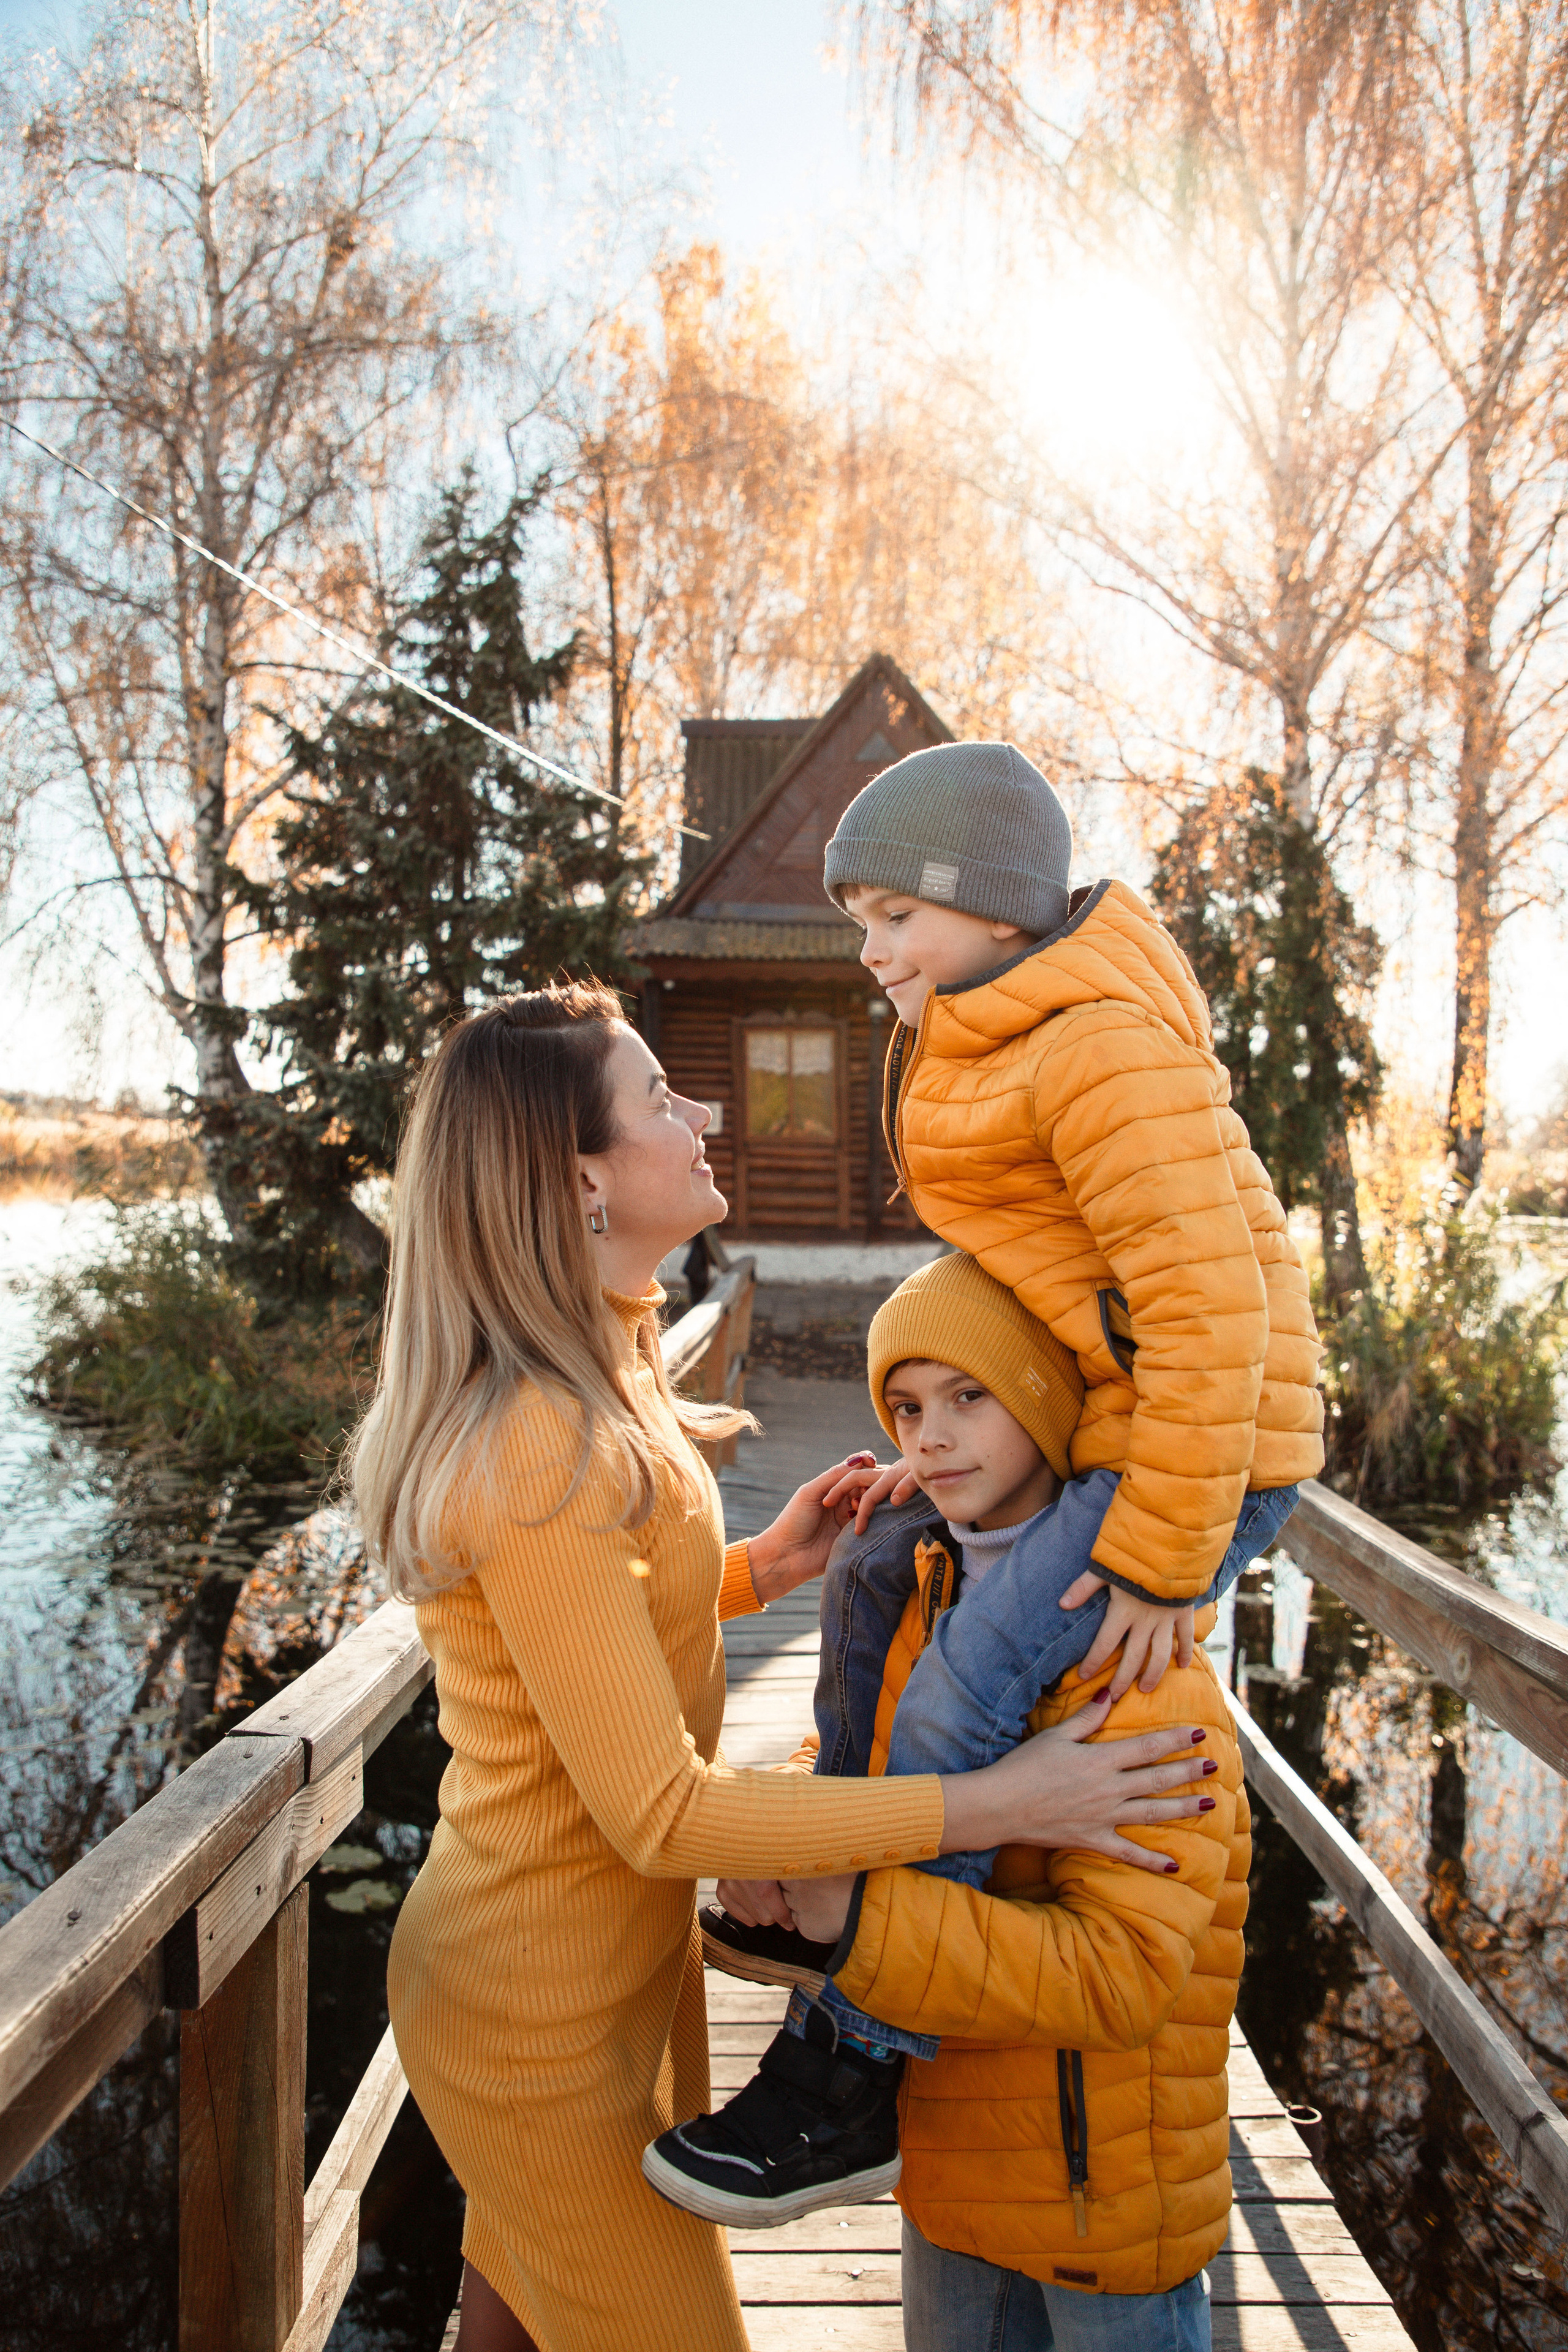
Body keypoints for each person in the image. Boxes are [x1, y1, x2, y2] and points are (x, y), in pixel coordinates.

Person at [350, 981, 1218, 2352]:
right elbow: (665, 1813)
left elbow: (580, 1633)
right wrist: (1007, 1802)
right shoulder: (535, 1442)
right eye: (658, 1099)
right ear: (581, 1179)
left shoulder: (605, 1363)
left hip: (603, 1972)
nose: (698, 1112)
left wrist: (760, 1567)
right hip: (536, 2014)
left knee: (513, 2323)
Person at [644, 1257, 1283, 2293]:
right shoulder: (918, 1581)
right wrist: (797, 1837)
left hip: (1099, 2205)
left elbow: (1125, 1975)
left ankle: (833, 2071)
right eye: (904, 1407)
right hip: (936, 2177)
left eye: (968, 1397)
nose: (927, 1438)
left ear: (1044, 1399)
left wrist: (851, 1923)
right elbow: (871, 1754)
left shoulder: (1137, 1664)